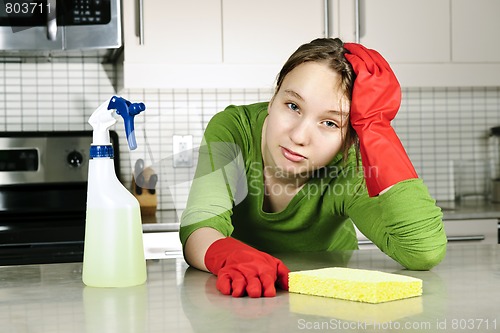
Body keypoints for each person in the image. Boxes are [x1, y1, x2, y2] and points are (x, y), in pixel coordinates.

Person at [179, 38, 447, 298]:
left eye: (330, 123)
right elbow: (201, 225)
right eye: (293, 106)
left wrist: (377, 129)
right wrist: (227, 255)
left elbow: (423, 251)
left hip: (330, 297)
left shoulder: (349, 165)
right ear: (273, 98)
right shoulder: (234, 128)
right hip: (245, 296)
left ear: (350, 136)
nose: (299, 136)